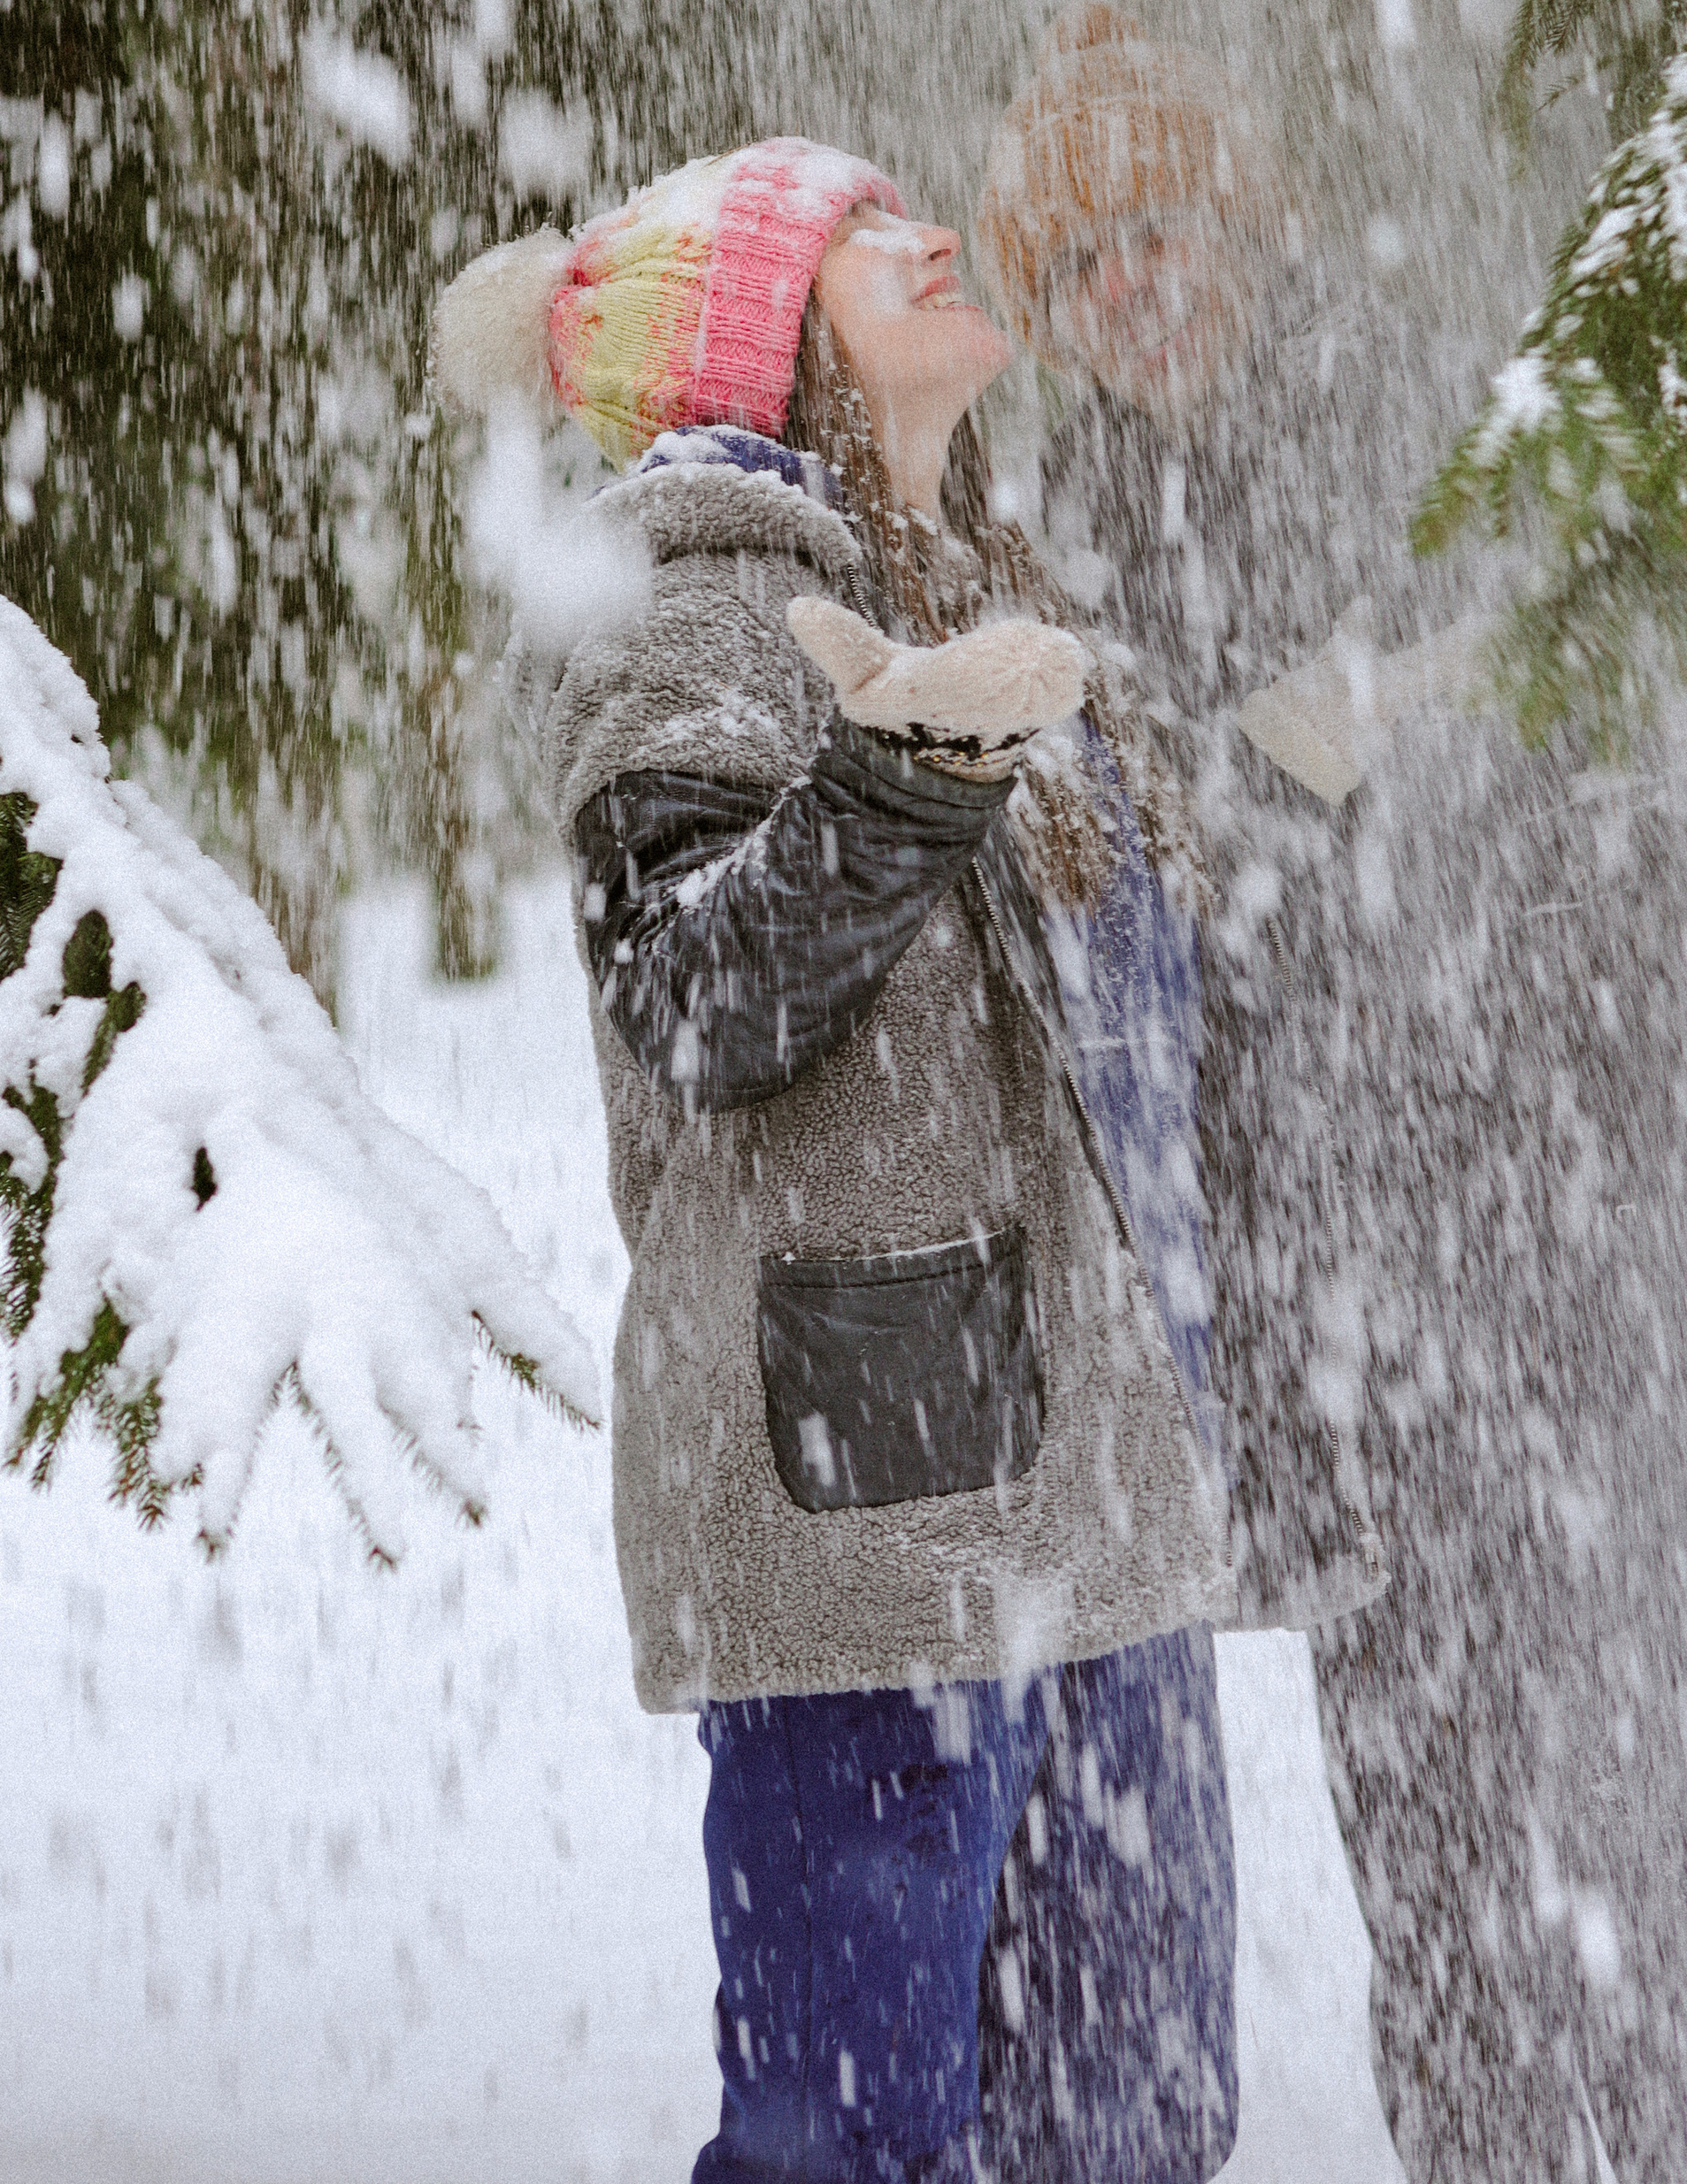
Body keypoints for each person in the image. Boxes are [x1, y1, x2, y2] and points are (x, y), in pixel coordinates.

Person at [978, 9, 1687, 2184]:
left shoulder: (1428, 415)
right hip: (1358, 1346)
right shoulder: (1071, 536)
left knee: (1643, 1855)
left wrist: (1337, 771)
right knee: (1447, 1899)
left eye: (1169, 228)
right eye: (1085, 265)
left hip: (1593, 1242)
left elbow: (1559, 772)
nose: (1137, 288)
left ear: (1251, 223)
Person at [432, 138, 1239, 2184]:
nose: (939, 233)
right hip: (869, 1511)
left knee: (1128, 2121)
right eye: (866, 235)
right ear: (763, 336)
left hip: (1087, 1513)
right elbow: (700, 1007)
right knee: (852, 2138)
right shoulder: (701, 602)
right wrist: (906, 773)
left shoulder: (975, 585)